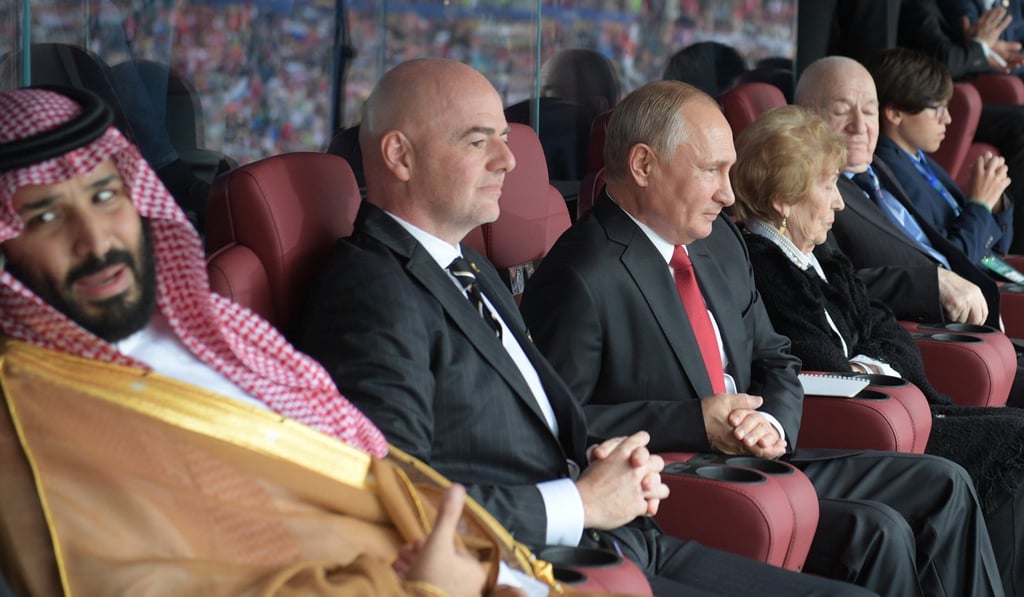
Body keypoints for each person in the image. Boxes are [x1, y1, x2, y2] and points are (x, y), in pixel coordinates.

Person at [293, 57, 872, 597]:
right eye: (478, 141)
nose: (509, 159)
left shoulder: (467, 267)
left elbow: (545, 410)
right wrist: (578, 501)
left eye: (503, 135)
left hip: (622, 536)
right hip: (535, 562)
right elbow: (399, 497)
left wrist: (608, 460)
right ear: (399, 156)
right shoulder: (372, 292)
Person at [0, 86, 555, 596]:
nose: (96, 241)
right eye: (45, 217)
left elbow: (368, 468)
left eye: (104, 196)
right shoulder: (33, 423)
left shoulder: (211, 324)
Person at [517, 78, 1003, 596]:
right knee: (878, 531)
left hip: (764, 455)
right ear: (643, 166)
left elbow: (775, 355)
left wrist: (772, 420)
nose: (729, 194)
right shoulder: (580, 273)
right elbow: (557, 427)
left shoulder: (719, 240)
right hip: (682, 478)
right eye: (711, 171)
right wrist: (696, 421)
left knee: (943, 483)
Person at [731, 103, 1024, 596]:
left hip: (907, 410)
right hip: (865, 431)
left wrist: (873, 361)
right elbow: (822, 366)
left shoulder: (818, 252)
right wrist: (874, 363)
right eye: (827, 187)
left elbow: (887, 332)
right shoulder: (767, 268)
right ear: (783, 199)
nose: (840, 204)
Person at [794, 55, 1002, 328]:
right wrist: (933, 284)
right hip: (923, 330)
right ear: (807, 116)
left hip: (976, 312)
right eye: (842, 111)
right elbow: (827, 286)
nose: (859, 126)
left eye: (869, 112)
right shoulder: (806, 193)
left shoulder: (878, 166)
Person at [868, 47, 1019, 281]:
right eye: (937, 109)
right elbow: (954, 265)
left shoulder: (917, 158)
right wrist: (980, 204)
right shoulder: (890, 171)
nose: (947, 119)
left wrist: (995, 203)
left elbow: (997, 249)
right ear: (895, 113)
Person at [899, 0, 1024, 252]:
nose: (945, 121)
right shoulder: (927, 7)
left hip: (967, 94)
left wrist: (984, 50)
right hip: (943, 96)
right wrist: (978, 47)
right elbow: (943, 58)